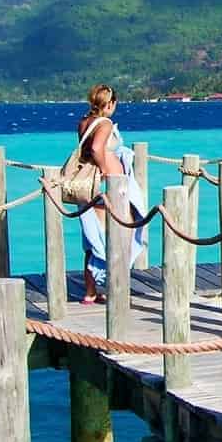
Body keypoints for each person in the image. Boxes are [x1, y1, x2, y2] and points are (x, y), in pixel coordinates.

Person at [75, 84, 148, 304]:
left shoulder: (84, 122)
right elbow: (97, 149)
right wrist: (107, 169)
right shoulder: (104, 123)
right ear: (110, 103)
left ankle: (90, 291)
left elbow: (86, 149)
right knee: (117, 235)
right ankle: (113, 288)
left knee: (93, 238)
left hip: (89, 185)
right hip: (109, 187)